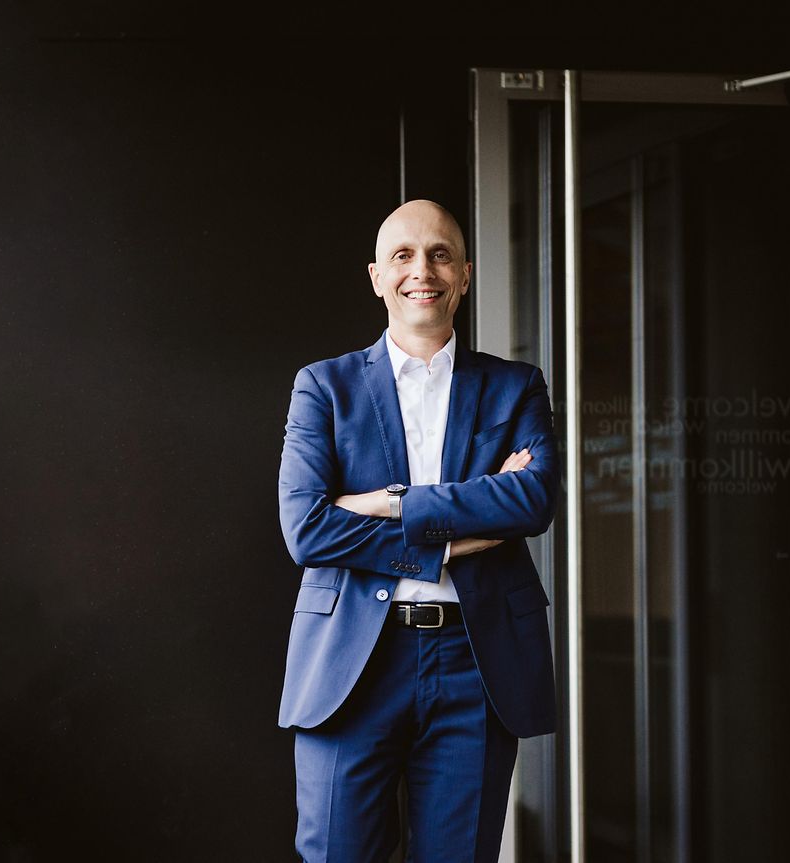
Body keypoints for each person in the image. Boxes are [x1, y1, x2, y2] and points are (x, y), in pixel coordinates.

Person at [276, 200, 560, 862]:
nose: (421, 269)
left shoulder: (515, 387)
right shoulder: (324, 386)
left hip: (475, 660)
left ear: (465, 274)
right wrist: (452, 539)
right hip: (352, 662)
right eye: (403, 255)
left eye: (439, 254)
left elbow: (532, 498)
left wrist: (389, 503)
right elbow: (307, 528)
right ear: (377, 276)